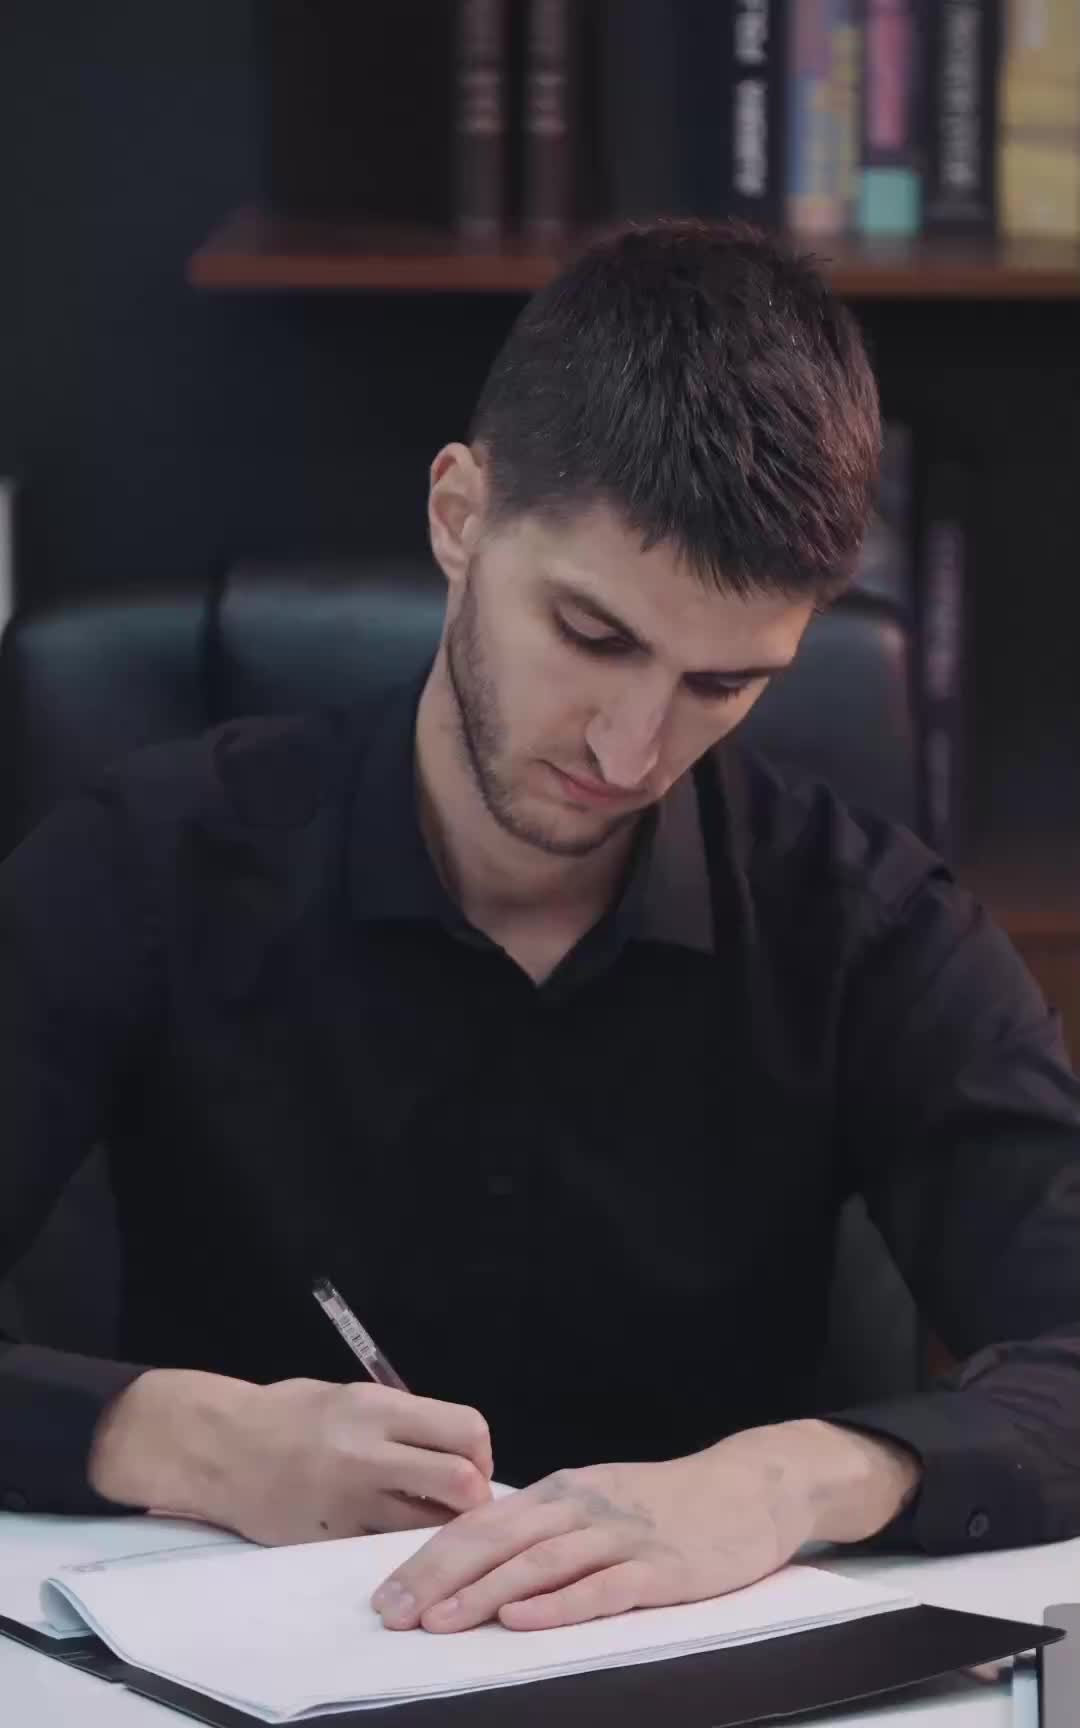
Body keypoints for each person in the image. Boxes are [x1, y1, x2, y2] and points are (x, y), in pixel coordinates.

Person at [2, 221, 1078, 1640]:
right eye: (593, 635)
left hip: (713, 1715)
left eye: (722, 684)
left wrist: (790, 1481)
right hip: (230, 1693)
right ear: (460, 515)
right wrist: (172, 1439)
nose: (633, 750)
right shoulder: (150, 860)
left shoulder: (866, 922)